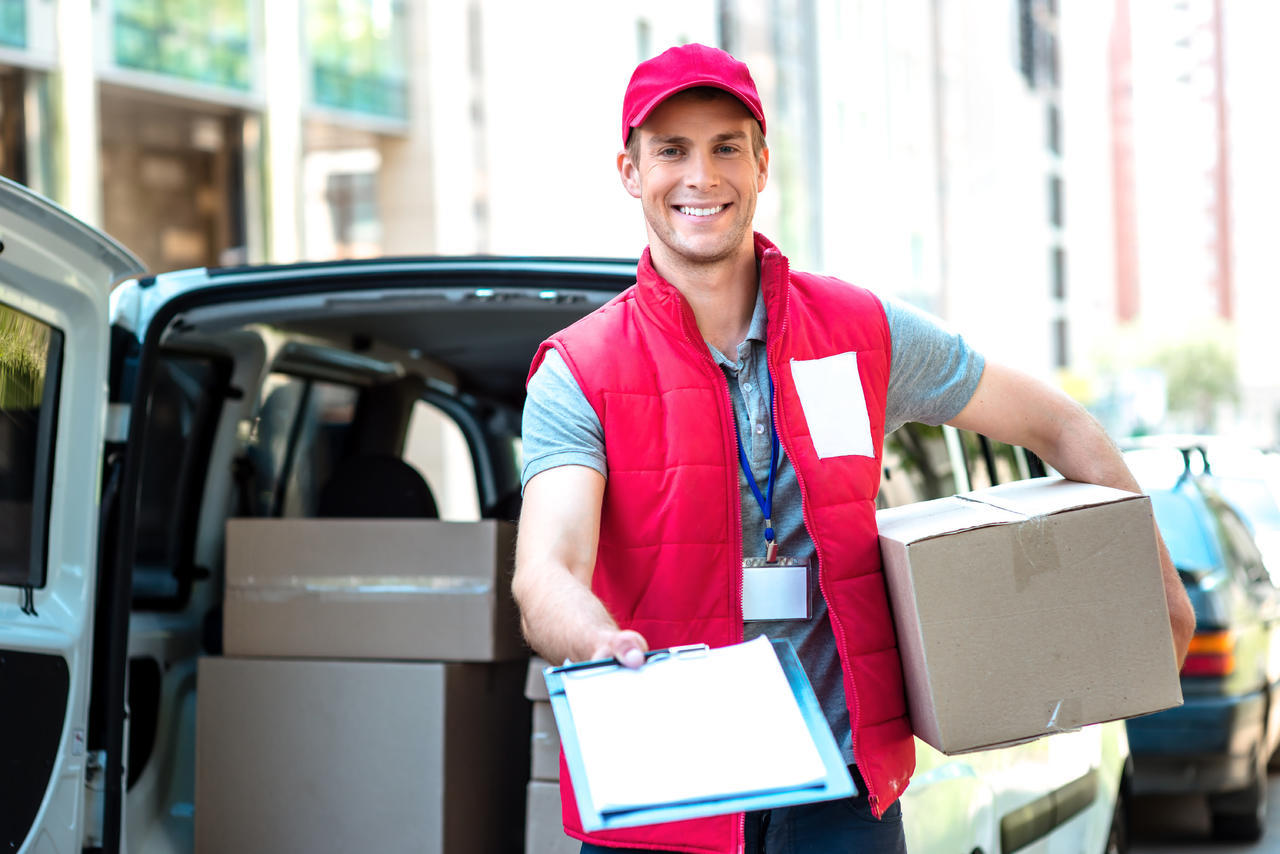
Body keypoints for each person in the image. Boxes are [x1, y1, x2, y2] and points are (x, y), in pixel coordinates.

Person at [512, 43, 1194, 854]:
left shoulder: (860, 331)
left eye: (727, 146)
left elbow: (1064, 427)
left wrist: (1158, 593)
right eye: (671, 150)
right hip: (667, 802)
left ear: (763, 164)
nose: (702, 176)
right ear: (630, 171)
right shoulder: (579, 371)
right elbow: (545, 570)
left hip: (842, 799)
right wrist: (598, 642)